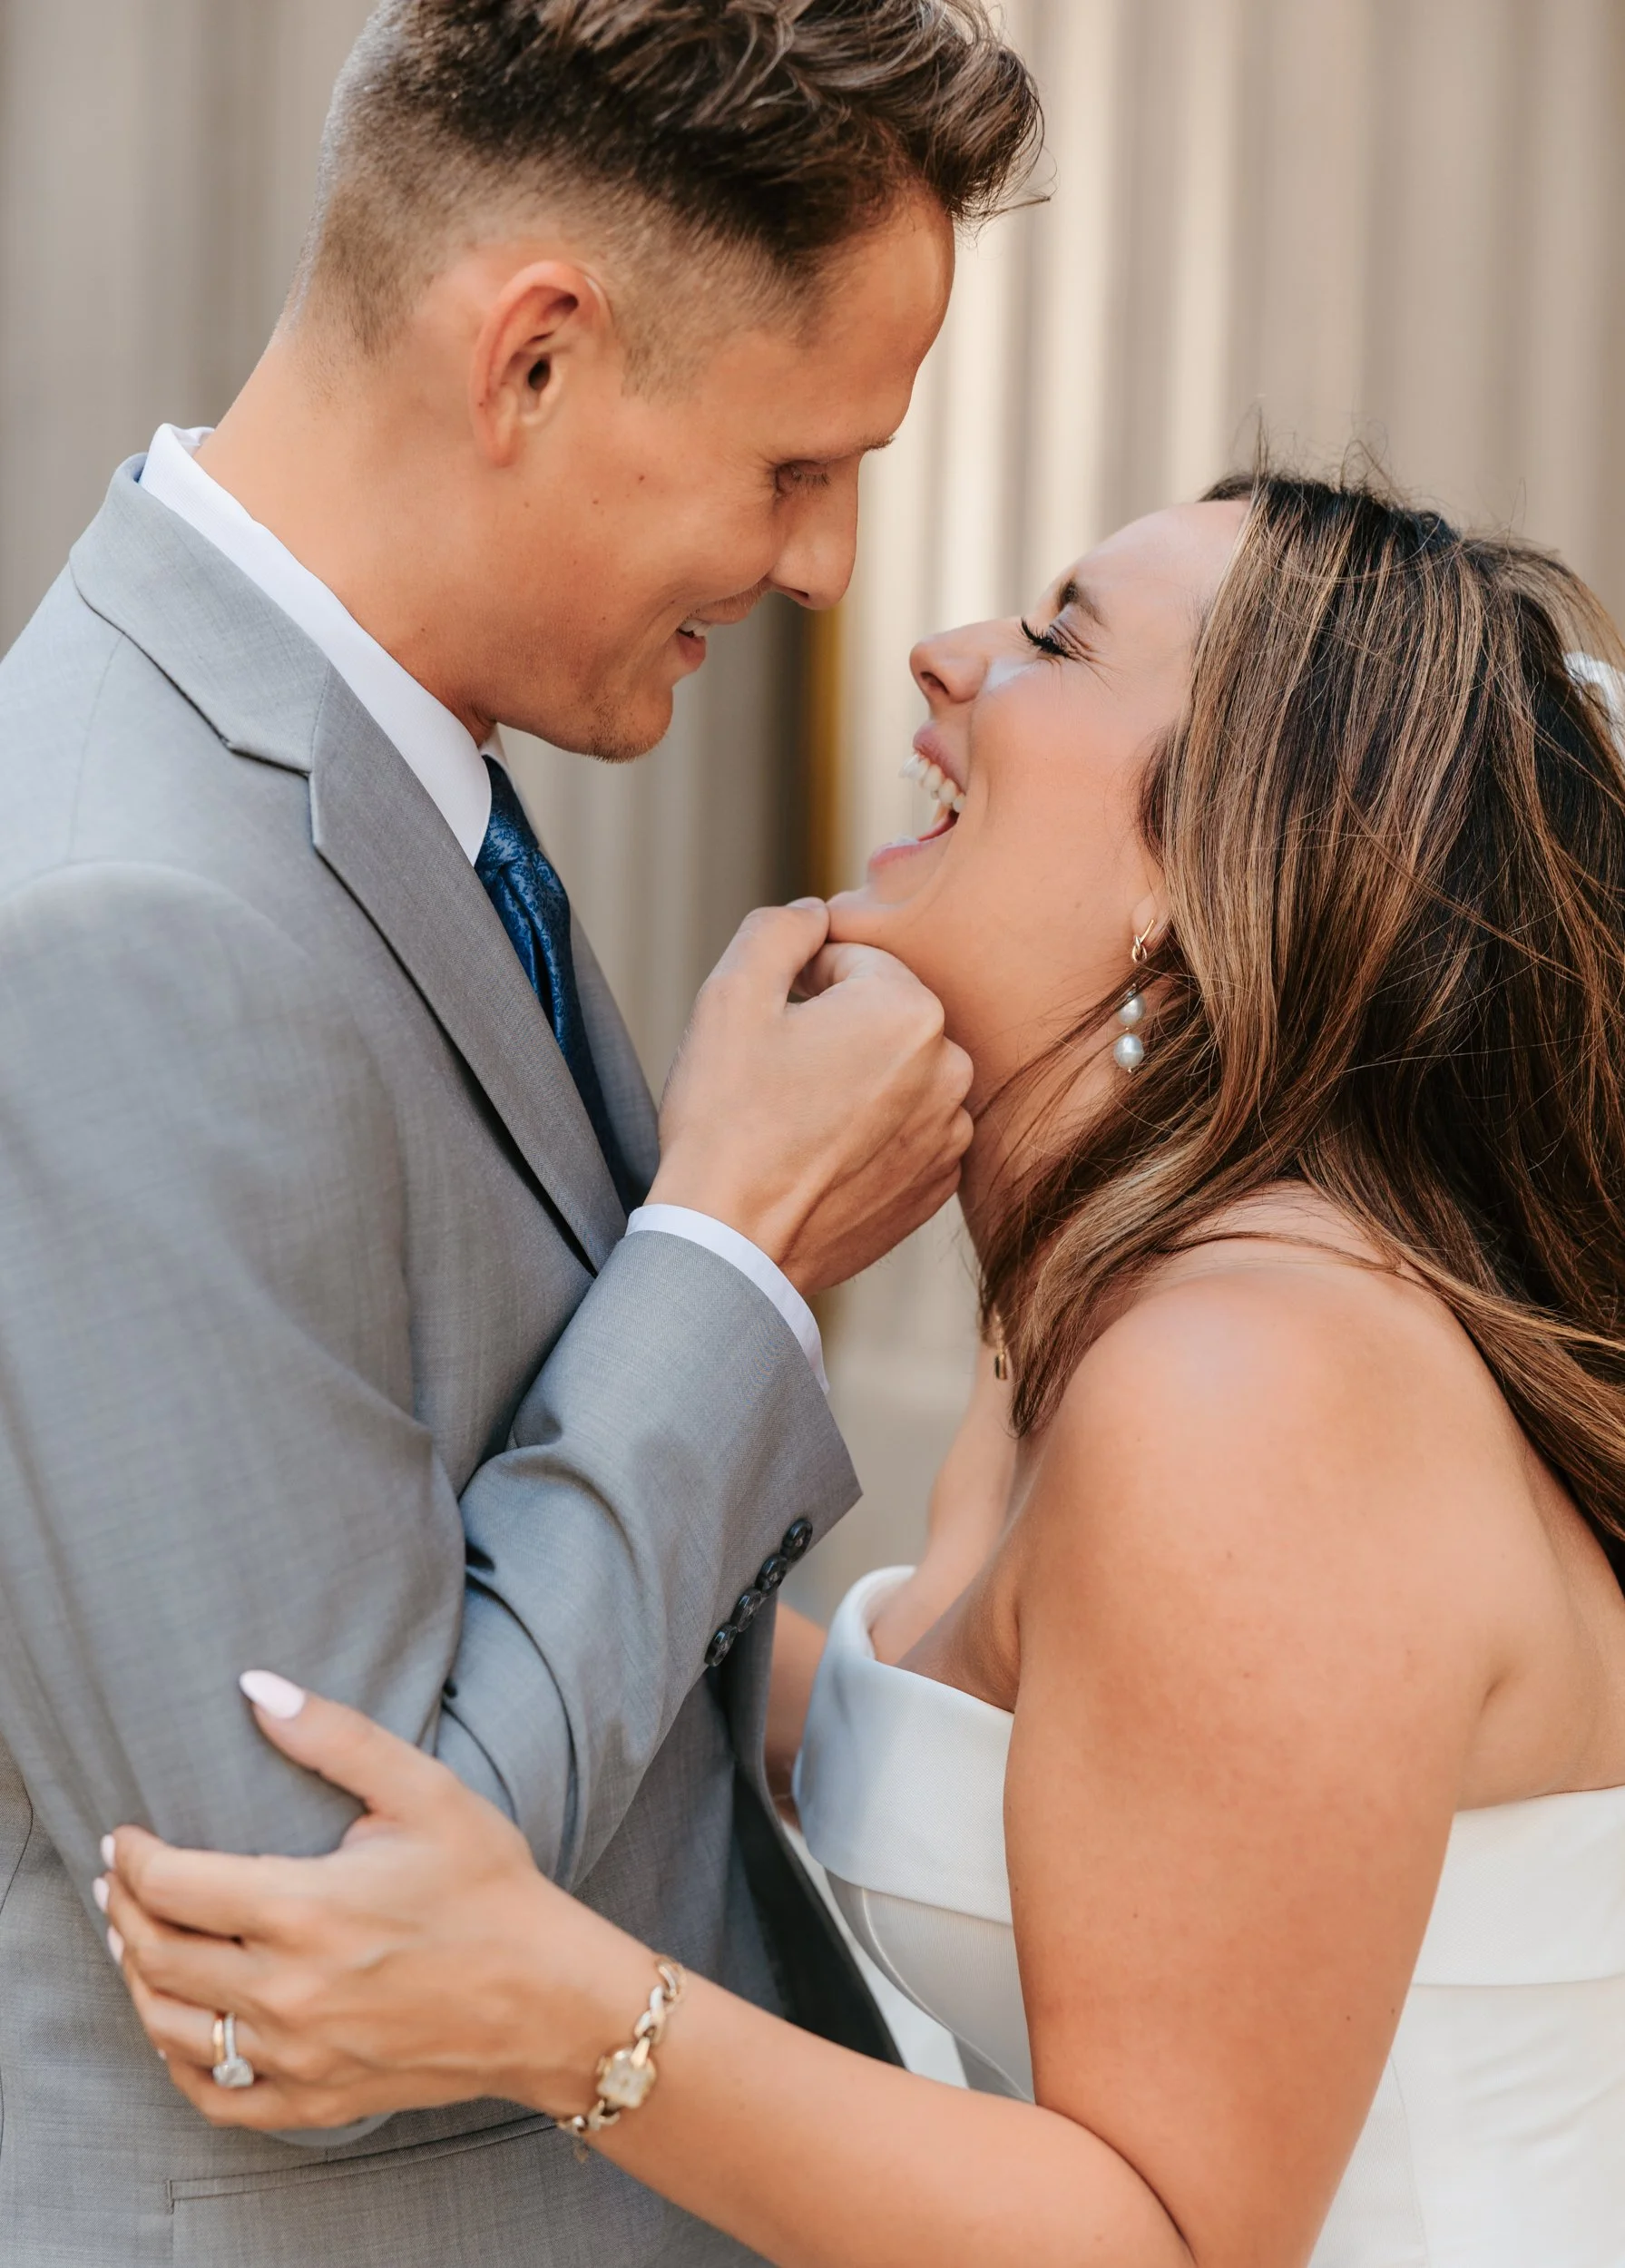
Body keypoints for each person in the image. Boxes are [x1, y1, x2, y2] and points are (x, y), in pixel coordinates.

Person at [104, 470, 1625, 2268]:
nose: (941, 654)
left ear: (1204, 855)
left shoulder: (1248, 1387)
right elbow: (1020, 1762)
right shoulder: (1107, 1309)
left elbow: (1174, 2237)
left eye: (1054, 638)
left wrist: (547, 2003)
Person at [0, 4, 1041, 2262]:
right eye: (794, 468)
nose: (828, 567)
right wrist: (738, 1253)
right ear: (535, 358)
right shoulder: (128, 921)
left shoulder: (391, 785)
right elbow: (328, 1937)